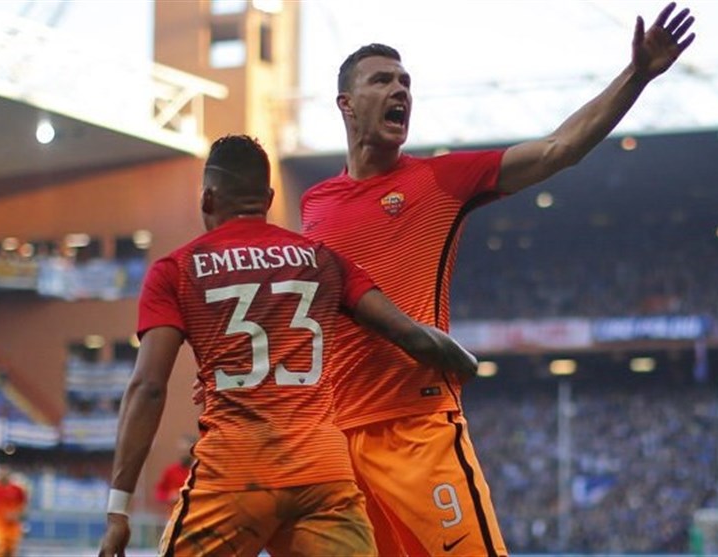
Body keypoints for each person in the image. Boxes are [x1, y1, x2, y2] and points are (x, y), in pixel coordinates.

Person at [297, 3, 696, 556]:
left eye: (406, 82)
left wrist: (636, 75)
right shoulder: (314, 204)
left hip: (417, 428)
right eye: (382, 80)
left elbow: (559, 149)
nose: (400, 90)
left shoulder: (440, 179)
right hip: (337, 441)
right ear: (346, 103)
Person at [98, 135, 481, 557]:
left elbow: (148, 387)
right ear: (268, 198)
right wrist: (466, 361)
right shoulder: (324, 260)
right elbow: (409, 333)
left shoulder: (177, 269)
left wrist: (118, 510)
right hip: (322, 476)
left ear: (207, 199)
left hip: (233, 476)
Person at [0, 466, 27, 557]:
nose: (3, 476)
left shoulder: (18, 490)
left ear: (9, 475)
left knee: (9, 553)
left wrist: (17, 515)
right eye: (1, 474)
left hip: (12, 528)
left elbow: (24, 508)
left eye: (5, 474)